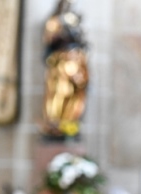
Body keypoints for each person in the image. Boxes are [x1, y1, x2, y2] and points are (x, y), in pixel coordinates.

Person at [41, 0, 89, 138]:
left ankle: (70, 123)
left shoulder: (75, 20)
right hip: (61, 63)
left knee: (74, 94)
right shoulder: (54, 21)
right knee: (60, 92)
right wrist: (62, 34)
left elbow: (82, 41)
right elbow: (49, 39)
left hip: (75, 61)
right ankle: (55, 124)